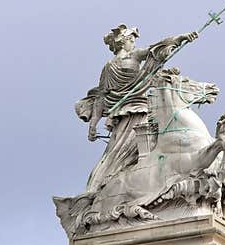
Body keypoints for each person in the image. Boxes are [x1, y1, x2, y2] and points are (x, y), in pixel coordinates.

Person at [75, 24, 198, 194]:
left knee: (138, 145)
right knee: (123, 152)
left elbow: (157, 48)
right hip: (130, 114)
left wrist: (181, 38)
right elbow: (101, 97)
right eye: (131, 40)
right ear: (123, 42)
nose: (133, 43)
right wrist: (93, 124)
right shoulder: (119, 62)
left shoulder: (117, 62)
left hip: (133, 110)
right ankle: (109, 185)